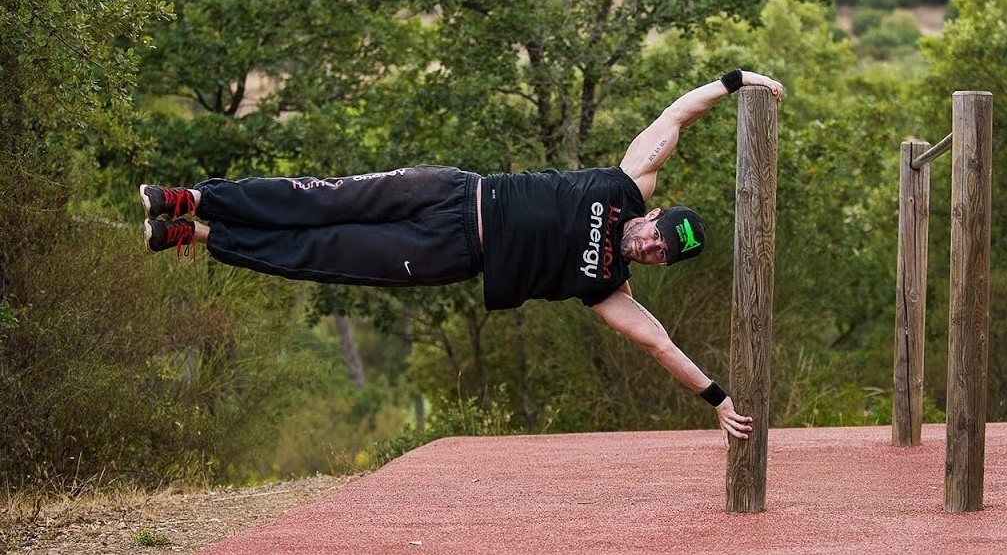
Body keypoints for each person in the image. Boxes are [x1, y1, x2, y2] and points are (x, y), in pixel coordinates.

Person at [140, 68, 784, 444]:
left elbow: (659, 344)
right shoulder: (625, 183)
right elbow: (675, 116)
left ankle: (193, 237)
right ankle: (192, 197)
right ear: (653, 214)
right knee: (321, 198)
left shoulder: (607, 287)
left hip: (445, 251)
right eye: (656, 235)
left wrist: (718, 400)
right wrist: (736, 83)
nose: (648, 248)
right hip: (450, 188)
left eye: (658, 256)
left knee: (325, 252)